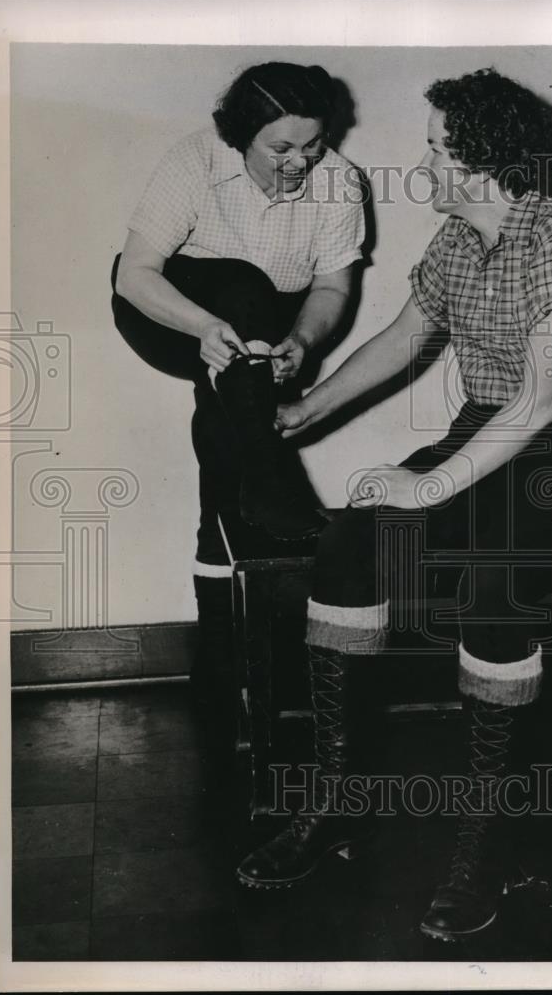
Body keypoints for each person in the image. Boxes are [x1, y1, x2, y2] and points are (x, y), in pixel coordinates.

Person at [236, 67, 552, 945]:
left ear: (480, 159)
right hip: (494, 430)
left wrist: (428, 483)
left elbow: (542, 405)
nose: (420, 161)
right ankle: (340, 801)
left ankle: (485, 845)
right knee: (354, 541)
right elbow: (403, 339)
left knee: (497, 588)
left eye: (434, 147)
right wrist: (306, 410)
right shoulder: (460, 239)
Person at [110, 62, 365, 744]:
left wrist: (303, 344)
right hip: (170, 309)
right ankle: (273, 478)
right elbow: (135, 275)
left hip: (262, 329)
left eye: (312, 144)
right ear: (243, 135)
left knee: (226, 438)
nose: (301, 162)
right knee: (241, 289)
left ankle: (219, 661)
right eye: (281, 148)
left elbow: (333, 291)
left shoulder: (340, 181)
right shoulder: (194, 159)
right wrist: (202, 331)